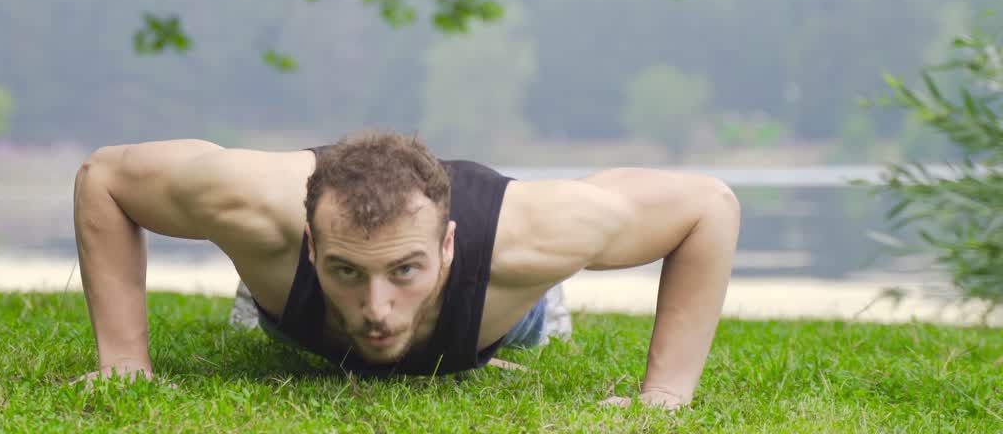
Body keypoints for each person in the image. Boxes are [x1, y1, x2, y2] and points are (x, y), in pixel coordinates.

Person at [71, 130, 740, 409]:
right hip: (288, 295)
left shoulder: (535, 233)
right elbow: (104, 176)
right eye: (348, 272)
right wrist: (123, 361)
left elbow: (708, 207)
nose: (378, 308)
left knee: (535, 315)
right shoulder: (253, 207)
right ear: (312, 245)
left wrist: (666, 395)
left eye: (405, 271)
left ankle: (529, 311)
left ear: (447, 246)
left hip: (500, 305)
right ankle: (284, 288)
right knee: (264, 294)